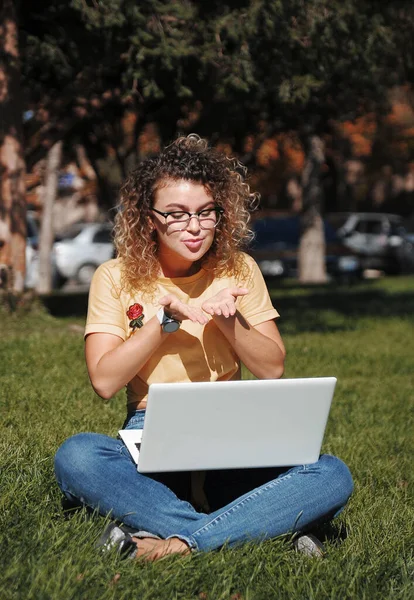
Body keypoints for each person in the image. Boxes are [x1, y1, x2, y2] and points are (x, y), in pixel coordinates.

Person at [54, 135, 353, 560]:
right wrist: (163, 323)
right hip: (148, 433)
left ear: (221, 214)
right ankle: (261, 527)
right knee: (78, 457)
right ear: (150, 219)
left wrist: (230, 323)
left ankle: (173, 544)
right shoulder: (114, 276)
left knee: (332, 474)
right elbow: (104, 380)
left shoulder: (240, 269)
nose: (193, 227)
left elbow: (272, 368)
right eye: (175, 215)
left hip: (233, 435)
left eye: (205, 213)